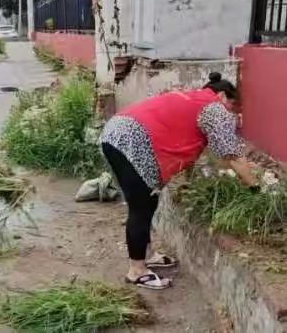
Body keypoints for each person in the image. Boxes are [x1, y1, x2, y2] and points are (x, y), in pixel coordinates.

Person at [100, 72, 258, 290]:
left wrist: (189, 180)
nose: (233, 112)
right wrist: (255, 188)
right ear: (222, 96)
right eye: (233, 105)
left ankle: (146, 254)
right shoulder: (215, 108)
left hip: (119, 133)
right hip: (130, 142)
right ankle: (136, 271)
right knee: (140, 207)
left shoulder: (194, 99)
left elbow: (187, 142)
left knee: (149, 200)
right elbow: (232, 156)